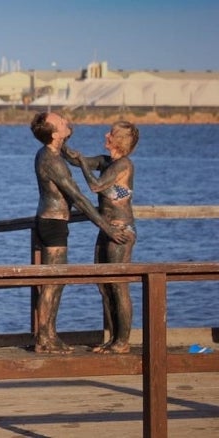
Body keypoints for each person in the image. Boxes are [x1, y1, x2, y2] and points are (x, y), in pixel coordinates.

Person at [30, 112, 130, 354]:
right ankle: (45, 338)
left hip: (55, 222)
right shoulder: (51, 161)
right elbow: (79, 198)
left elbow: (74, 156)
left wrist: (67, 146)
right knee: (53, 283)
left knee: (57, 281)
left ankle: (50, 336)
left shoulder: (52, 152)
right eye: (61, 122)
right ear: (54, 134)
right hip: (52, 224)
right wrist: (106, 227)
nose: (66, 121)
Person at [63, 121, 139, 354]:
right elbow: (78, 161)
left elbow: (96, 186)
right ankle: (112, 339)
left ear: (119, 141)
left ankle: (122, 342)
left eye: (111, 133)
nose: (106, 135)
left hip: (121, 231)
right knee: (104, 285)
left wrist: (85, 165)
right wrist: (64, 143)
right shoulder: (107, 162)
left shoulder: (124, 165)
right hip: (106, 229)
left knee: (118, 285)